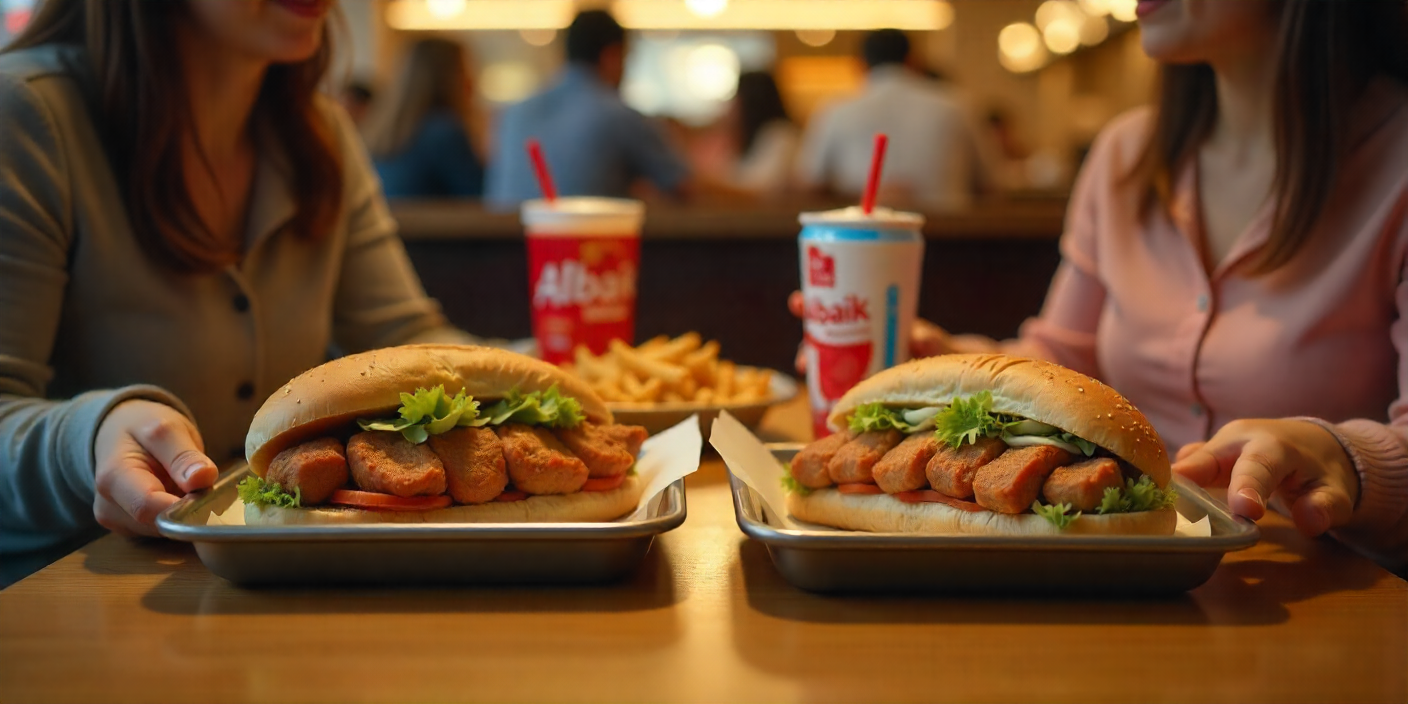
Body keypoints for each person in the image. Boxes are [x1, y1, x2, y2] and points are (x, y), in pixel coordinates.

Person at [797, 1, 1408, 570]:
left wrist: (1347, 460)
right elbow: (1063, 362)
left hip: (1329, 592)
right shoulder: (1125, 155)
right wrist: (942, 368)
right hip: (1110, 588)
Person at [0, 0, 478, 585]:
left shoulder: (320, 131)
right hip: (64, 602)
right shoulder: (23, 113)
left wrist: (535, 375)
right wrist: (90, 435)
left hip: (278, 593)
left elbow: (406, 341)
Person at [484, 9, 690, 209]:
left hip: (504, 241)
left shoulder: (514, 113)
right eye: (626, 60)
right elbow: (685, 187)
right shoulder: (617, 115)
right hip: (582, 240)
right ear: (611, 55)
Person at [795, 29, 991, 211]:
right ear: (914, 61)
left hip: (864, 234)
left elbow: (810, 182)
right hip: (953, 236)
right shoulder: (957, 106)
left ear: (860, 64)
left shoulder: (834, 110)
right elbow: (990, 181)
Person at [363, 37, 484, 198]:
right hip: (432, 222)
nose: (472, 80)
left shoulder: (382, 131)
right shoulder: (442, 132)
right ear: (451, 78)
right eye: (466, 70)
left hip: (395, 222)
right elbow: (480, 194)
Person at [721, 71, 800, 196]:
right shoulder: (748, 137)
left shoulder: (780, 135)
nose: (730, 105)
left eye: (735, 96)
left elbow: (763, 189)